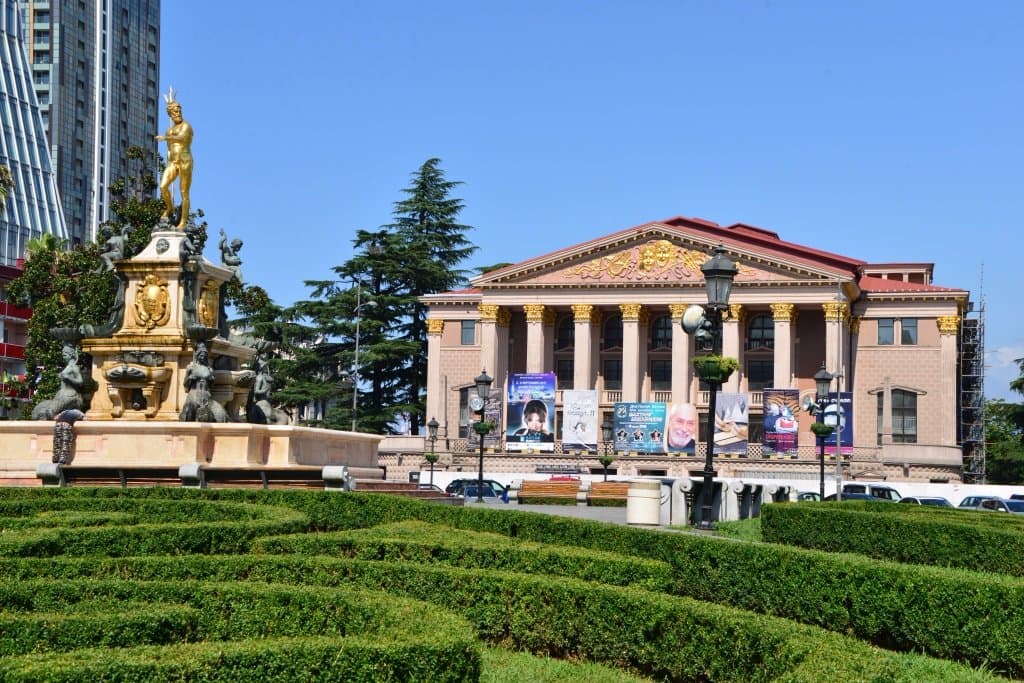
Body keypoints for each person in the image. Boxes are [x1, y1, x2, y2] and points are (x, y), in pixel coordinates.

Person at [155, 87, 193, 229]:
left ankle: (183, 222)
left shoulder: (186, 126)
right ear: (170, 114)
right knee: (163, 186)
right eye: (175, 112)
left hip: (185, 160)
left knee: (184, 192)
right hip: (173, 162)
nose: (178, 113)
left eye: (179, 111)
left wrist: (165, 138)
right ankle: (169, 208)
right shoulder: (169, 130)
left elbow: (183, 138)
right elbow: (170, 149)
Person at [179, 341, 227, 422]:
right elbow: (185, 385)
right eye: (201, 355)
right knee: (189, 412)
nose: (203, 357)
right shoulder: (191, 367)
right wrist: (190, 378)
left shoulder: (209, 369)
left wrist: (211, 381)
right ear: (197, 355)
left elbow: (211, 386)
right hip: (194, 394)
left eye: (204, 356)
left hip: (206, 395)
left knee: (218, 413)